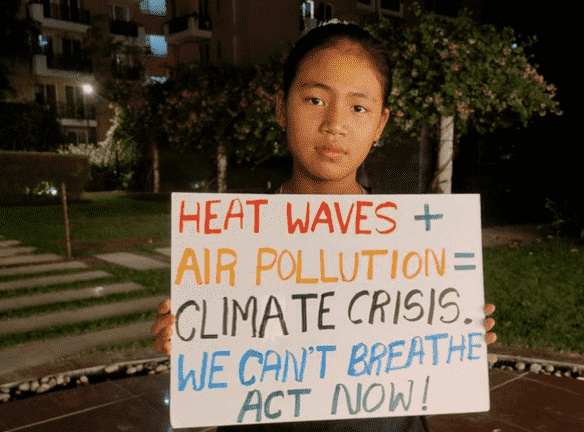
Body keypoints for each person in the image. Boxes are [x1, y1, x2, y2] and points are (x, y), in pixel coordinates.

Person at [151, 20, 497, 432]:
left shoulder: (417, 248)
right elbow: (218, 390)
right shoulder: (230, 242)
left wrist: (453, 344)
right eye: (315, 99)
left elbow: (420, 381)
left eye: (358, 107)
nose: (335, 123)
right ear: (282, 108)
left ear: (380, 124)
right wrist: (191, 345)